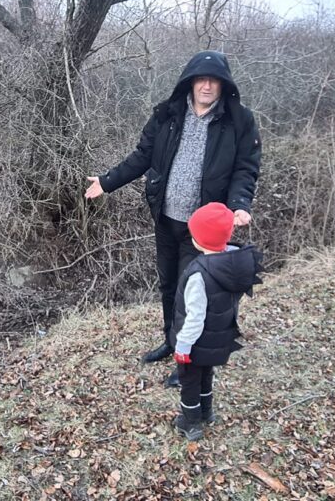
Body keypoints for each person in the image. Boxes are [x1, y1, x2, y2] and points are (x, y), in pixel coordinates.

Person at [85, 51, 261, 386]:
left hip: (204, 230)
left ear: (224, 85)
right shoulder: (168, 113)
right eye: (201, 79)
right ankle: (171, 340)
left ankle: (189, 362)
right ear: (190, 82)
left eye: (214, 81)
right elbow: (143, 156)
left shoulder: (239, 121)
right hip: (166, 218)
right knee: (168, 286)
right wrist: (107, 182)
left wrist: (239, 203)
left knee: (192, 295)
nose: (207, 86)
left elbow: (245, 168)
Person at [170, 202, 263, 440]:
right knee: (206, 374)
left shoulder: (199, 274)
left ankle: (190, 422)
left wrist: (183, 345)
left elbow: (195, 317)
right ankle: (207, 412)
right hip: (218, 337)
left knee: (190, 381)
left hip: (196, 342)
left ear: (199, 241)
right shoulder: (231, 264)